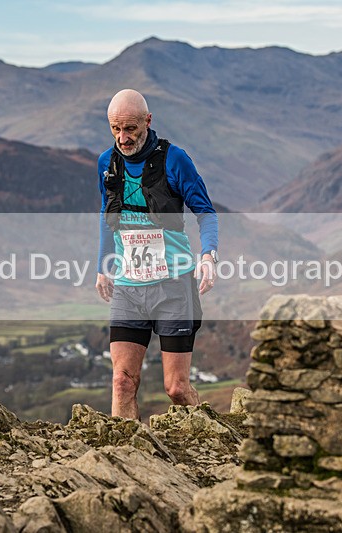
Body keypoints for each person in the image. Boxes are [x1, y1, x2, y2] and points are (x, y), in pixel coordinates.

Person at [95, 89, 219, 420]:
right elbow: (107, 219)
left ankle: (217, 438)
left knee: (176, 389)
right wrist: (102, 268)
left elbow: (206, 212)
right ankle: (124, 459)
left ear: (148, 121)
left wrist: (208, 255)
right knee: (122, 381)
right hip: (128, 287)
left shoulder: (175, 160)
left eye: (131, 128)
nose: (123, 138)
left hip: (173, 287)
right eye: (115, 129)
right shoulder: (106, 164)